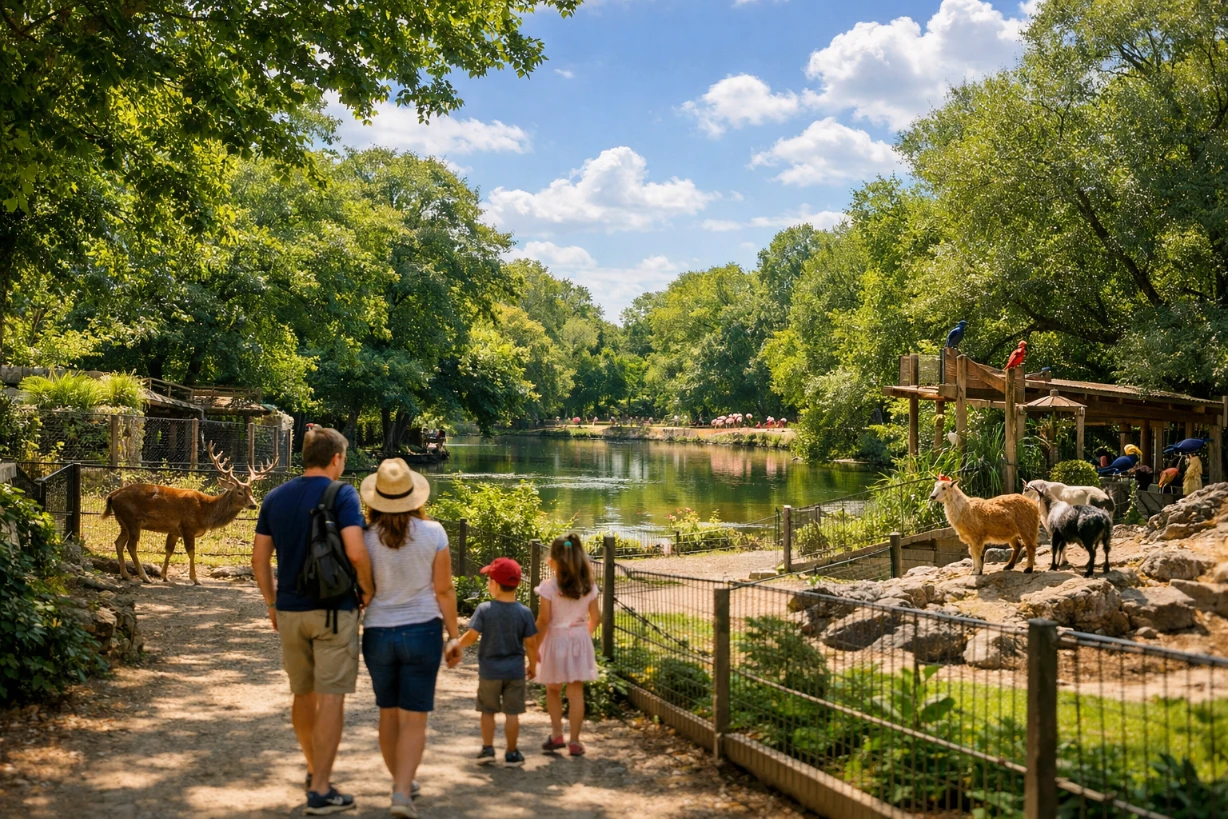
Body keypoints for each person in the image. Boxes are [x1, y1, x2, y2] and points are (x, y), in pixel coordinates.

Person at [253, 426, 374, 815]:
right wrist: (368, 590)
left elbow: (259, 560)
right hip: (334, 610)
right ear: (336, 458)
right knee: (332, 697)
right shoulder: (343, 494)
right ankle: (320, 789)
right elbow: (356, 551)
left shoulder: (274, 497)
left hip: (288, 610)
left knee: (301, 694)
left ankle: (312, 768)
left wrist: (272, 604)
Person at [359, 458, 461, 819]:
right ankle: (402, 791)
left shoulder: (364, 537)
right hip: (423, 630)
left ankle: (400, 781)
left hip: (377, 632)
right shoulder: (434, 533)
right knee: (414, 718)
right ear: (414, 495)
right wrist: (454, 636)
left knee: (387, 714)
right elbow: (445, 589)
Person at [456, 557, 538, 768]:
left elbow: (472, 636)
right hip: (514, 672)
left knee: (488, 711)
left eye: (488, 579)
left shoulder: (485, 609)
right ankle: (511, 753)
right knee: (513, 714)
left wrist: (457, 645)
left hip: (490, 672)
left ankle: (488, 749)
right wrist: (533, 665)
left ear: (493, 583)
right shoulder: (525, 612)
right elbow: (530, 643)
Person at [534, 532, 600, 756]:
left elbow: (543, 621)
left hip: (555, 641)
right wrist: (584, 635)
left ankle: (556, 735)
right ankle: (575, 741)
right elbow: (596, 618)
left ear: (551, 561)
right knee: (576, 692)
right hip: (579, 640)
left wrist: (534, 649)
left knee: (553, 689)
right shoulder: (588, 586)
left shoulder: (549, 587)